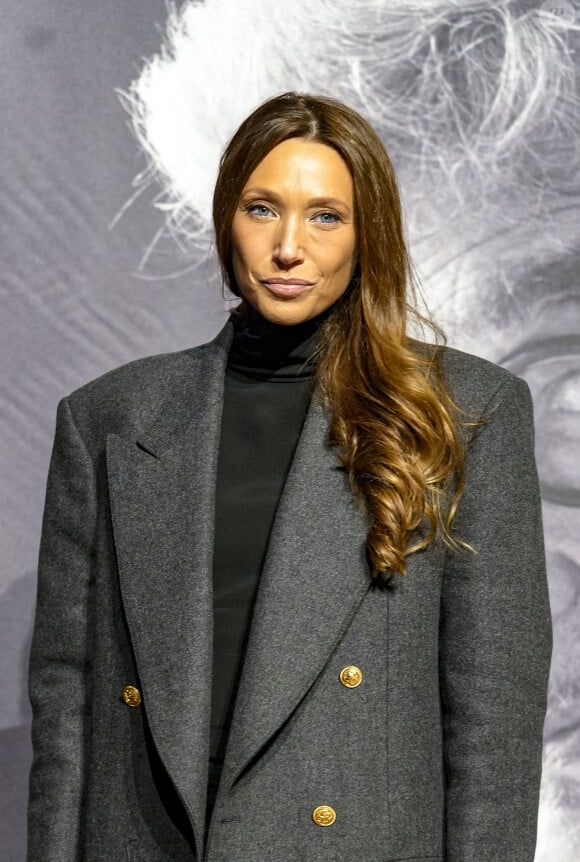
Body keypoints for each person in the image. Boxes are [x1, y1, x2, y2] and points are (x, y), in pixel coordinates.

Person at [27, 92, 552, 862]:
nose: (288, 248)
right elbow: (66, 700)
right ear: (225, 220)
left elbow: (492, 725)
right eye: (263, 209)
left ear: (367, 233)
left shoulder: (463, 413)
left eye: (326, 216)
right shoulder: (109, 417)